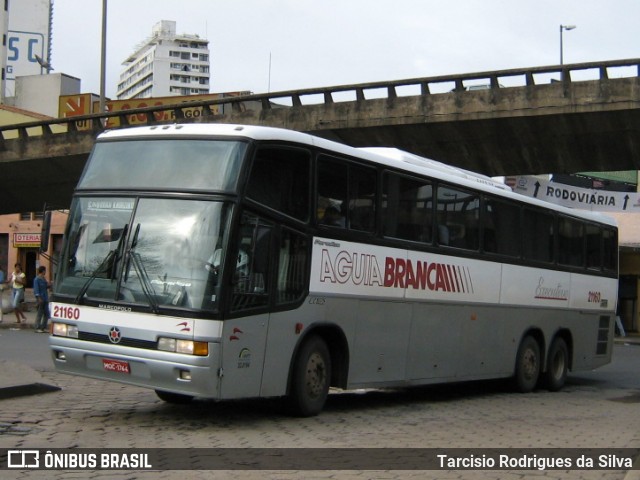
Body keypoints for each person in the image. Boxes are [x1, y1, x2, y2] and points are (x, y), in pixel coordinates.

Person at [33, 266, 51, 333]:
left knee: (46, 313)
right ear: (43, 271)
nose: (45, 272)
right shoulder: (37, 279)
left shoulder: (43, 279)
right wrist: (38, 298)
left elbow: (46, 286)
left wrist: (49, 284)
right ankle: (37, 327)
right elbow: (36, 289)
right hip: (40, 298)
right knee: (40, 313)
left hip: (45, 297)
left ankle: (43, 327)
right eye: (44, 271)